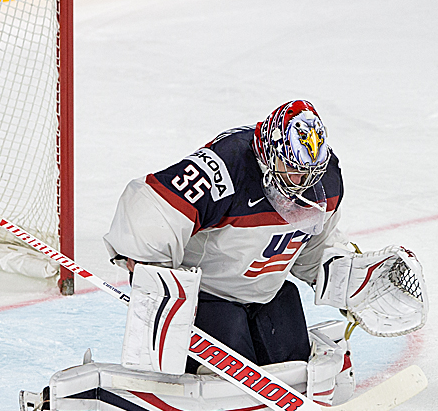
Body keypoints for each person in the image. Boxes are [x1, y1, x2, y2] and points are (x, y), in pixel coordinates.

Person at [104, 99, 347, 373]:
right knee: (231, 357)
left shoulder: (325, 179)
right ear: (269, 153)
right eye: (291, 168)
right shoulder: (225, 166)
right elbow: (153, 206)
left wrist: (346, 278)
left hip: (266, 294)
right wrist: (152, 272)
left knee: (291, 355)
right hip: (209, 295)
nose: (301, 181)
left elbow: (315, 248)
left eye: (309, 172)